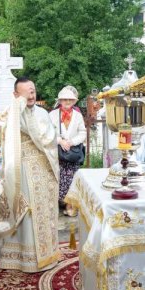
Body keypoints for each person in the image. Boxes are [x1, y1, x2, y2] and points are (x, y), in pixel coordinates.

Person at [0, 77, 61, 272]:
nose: (30, 96)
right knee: (24, 207)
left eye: (32, 91)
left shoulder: (41, 113)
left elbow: (47, 138)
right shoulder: (9, 113)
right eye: (26, 92)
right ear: (16, 95)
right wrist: (17, 111)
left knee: (43, 208)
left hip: (42, 165)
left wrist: (23, 117)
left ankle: (46, 253)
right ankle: (22, 257)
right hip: (20, 168)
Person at [51, 84, 87, 214]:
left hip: (72, 154)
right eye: (64, 99)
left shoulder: (77, 116)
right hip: (58, 154)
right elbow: (48, 133)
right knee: (59, 178)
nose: (67, 102)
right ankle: (59, 203)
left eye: (70, 100)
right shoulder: (53, 114)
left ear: (73, 101)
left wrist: (71, 142)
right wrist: (60, 141)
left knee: (72, 179)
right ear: (60, 101)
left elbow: (83, 132)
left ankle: (70, 205)